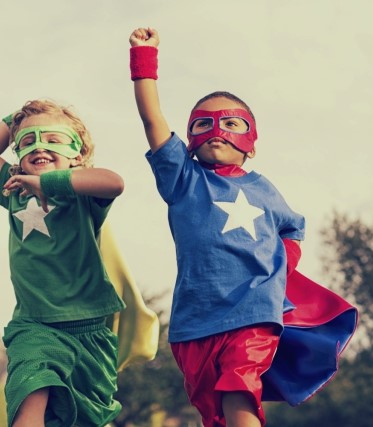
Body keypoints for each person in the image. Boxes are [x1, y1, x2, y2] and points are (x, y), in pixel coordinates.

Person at [129, 27, 311, 427]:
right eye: (203, 123)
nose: (217, 131)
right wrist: (144, 58)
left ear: (251, 143)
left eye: (231, 123)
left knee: (239, 385)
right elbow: (152, 119)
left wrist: (282, 270)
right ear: (190, 139)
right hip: (195, 320)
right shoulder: (183, 179)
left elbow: (293, 228)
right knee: (213, 411)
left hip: (255, 310)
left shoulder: (264, 189)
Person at [0, 99, 126, 427]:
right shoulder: (14, 189)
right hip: (34, 326)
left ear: (77, 155)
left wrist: (45, 182)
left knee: (84, 420)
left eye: (53, 139)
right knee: (29, 396)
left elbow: (115, 183)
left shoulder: (83, 194)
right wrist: (18, 116)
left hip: (89, 328)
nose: (40, 146)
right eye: (28, 141)